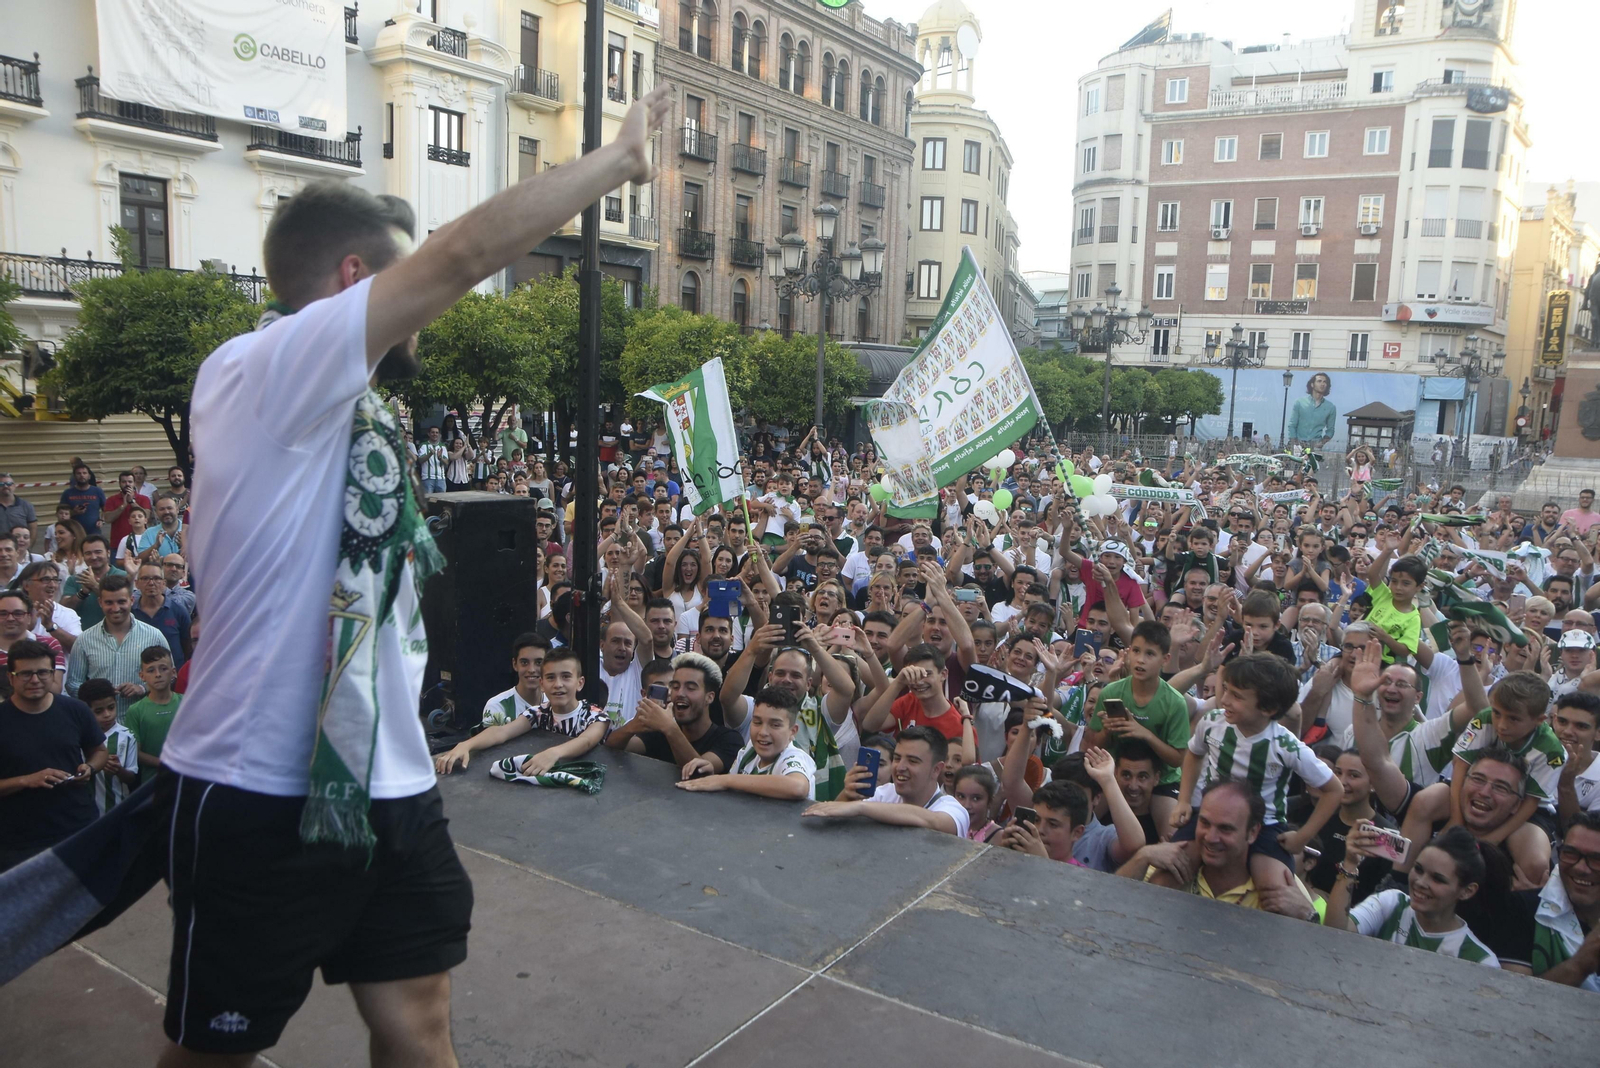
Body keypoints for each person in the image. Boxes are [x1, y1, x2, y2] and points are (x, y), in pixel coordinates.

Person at [125, 85, 670, 1064]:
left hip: (385, 780)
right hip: (260, 789)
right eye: (401, 281)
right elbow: (463, 254)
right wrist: (618, 163)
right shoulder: (265, 369)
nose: (430, 307)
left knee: (418, 1022)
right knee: (216, 1052)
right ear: (350, 280)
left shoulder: (351, 408)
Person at [1170, 652, 1341, 898]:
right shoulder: (1212, 722)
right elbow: (1194, 754)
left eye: (1237, 696)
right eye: (1226, 689)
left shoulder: (1285, 745)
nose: (1224, 699)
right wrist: (1184, 800)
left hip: (1266, 826)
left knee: (1275, 892)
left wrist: (1302, 837)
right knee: (1168, 871)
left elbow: (1334, 790)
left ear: (1269, 708)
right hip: (1212, 818)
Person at [1119, 781, 1320, 920]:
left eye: (1225, 828)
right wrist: (1142, 856)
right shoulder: (1173, 863)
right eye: (1204, 823)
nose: (1210, 837)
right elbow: (1111, 905)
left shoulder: (1282, 886)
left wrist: (1309, 916)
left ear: (1252, 833)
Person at [1325, 824, 1500, 967]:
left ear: (1467, 891)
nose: (1420, 882)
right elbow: (1334, 933)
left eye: (1437, 879)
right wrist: (1349, 864)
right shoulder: (1392, 902)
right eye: (1418, 869)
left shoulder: (1482, 961)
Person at [0, 640, 106, 872]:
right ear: (11, 678)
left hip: (77, 827)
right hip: (18, 841)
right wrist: (26, 780)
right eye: (26, 673)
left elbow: (99, 751)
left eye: (43, 672)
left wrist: (90, 768)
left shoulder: (76, 710)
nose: (35, 680)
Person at [1081, 620, 1190, 830]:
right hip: (1115, 772)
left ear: (1165, 659)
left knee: (1170, 833)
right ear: (1128, 653)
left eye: (1150, 654)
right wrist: (1107, 729)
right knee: (1085, 821)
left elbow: (1177, 759)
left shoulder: (1175, 702)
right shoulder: (1111, 693)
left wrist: (1144, 734)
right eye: (1137, 651)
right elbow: (1092, 745)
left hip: (1162, 779)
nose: (1140, 660)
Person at [435, 647, 610, 777]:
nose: (558, 684)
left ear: (579, 683)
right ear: (542, 684)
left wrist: (553, 753)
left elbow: (586, 741)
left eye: (566, 676)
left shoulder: (596, 716)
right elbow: (502, 731)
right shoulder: (538, 713)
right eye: (550, 677)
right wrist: (466, 745)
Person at [801, 726, 969, 837]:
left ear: (936, 769)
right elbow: (834, 821)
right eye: (897, 758)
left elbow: (934, 821)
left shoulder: (953, 808)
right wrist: (848, 794)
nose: (900, 767)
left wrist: (860, 807)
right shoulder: (883, 793)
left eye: (912, 761)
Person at [604, 654, 744, 774]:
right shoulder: (660, 733)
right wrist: (634, 725)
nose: (679, 693)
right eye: (675, 686)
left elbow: (697, 772)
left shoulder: (729, 740)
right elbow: (611, 748)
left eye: (690, 688)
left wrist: (670, 728)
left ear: (710, 697)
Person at [676, 685, 816, 800]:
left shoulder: (794, 757)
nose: (763, 732)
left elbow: (798, 787)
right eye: (757, 722)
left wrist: (724, 780)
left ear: (793, 731)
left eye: (775, 725)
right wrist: (710, 773)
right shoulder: (750, 750)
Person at [63, 575, 171, 720]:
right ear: (100, 602)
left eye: (121, 602)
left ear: (131, 600)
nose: (115, 608)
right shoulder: (85, 640)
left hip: (143, 721)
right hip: (100, 727)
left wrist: (142, 688)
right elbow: (73, 683)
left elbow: (169, 676)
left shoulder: (154, 636)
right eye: (109, 602)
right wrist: (99, 695)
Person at [1529, 812, 1600, 989]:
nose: (1581, 868)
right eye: (1570, 853)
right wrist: (1579, 965)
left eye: (1597, 859)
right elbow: (1510, 1000)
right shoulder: (1522, 910)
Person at [123, 646, 183, 785]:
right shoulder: (135, 710)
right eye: (151, 670)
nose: (158, 674)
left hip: (186, 780)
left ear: (173, 672)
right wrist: (164, 764)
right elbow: (135, 752)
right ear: (142, 676)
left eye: (163, 668)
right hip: (151, 784)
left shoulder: (187, 703)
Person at [81, 677, 138, 816]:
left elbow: (132, 777)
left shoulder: (127, 736)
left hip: (115, 810)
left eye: (111, 708)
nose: (107, 715)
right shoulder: (78, 736)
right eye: (98, 711)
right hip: (83, 813)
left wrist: (118, 770)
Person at [132, 561, 193, 671]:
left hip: (173, 678)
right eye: (145, 578)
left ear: (164, 583)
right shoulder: (130, 613)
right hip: (137, 677)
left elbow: (188, 646)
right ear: (137, 583)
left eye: (156, 578)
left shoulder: (178, 611)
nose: (151, 583)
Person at [0, 589, 64, 693]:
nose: (10, 618)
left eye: (18, 613)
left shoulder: (49, 644)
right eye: (3, 613)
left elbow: (56, 690)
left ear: (29, 617)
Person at [59, 534, 125, 629]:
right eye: (88, 553)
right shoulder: (75, 580)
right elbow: (64, 610)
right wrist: (82, 593)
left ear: (108, 553)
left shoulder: (123, 576)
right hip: (83, 637)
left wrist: (94, 586)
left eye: (98, 552)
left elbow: (125, 605)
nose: (93, 557)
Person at [481, 633, 547, 726]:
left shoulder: (554, 703)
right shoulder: (498, 706)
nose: (531, 669)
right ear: (515, 664)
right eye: (524, 662)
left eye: (539, 662)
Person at [102, 470, 151, 548]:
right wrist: (123, 505)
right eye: (124, 482)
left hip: (141, 543)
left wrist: (132, 502)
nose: (127, 484)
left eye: (130, 482)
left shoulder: (144, 499)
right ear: (119, 483)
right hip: (117, 544)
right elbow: (107, 519)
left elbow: (147, 516)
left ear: (134, 483)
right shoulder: (111, 500)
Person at [58, 461, 106, 535]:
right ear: (74, 476)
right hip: (73, 533)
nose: (82, 475)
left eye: (84, 473)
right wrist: (74, 512)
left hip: (94, 533)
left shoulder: (98, 491)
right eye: (78, 473)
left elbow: (106, 509)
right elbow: (61, 514)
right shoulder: (67, 493)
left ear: (89, 476)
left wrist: (101, 520)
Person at [0, 472, 37, 542]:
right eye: (1, 484)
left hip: (19, 548)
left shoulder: (26, 506)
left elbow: (33, 529)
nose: (5, 486)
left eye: (9, 484)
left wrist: (28, 548)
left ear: (14, 486)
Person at [416, 425, 448, 496]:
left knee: (443, 501)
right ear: (429, 434)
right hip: (427, 478)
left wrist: (440, 458)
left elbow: (446, 462)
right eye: (433, 432)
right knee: (428, 502)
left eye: (437, 432)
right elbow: (420, 460)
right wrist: (430, 454)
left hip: (441, 479)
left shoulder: (443, 446)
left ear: (439, 434)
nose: (435, 434)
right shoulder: (423, 445)